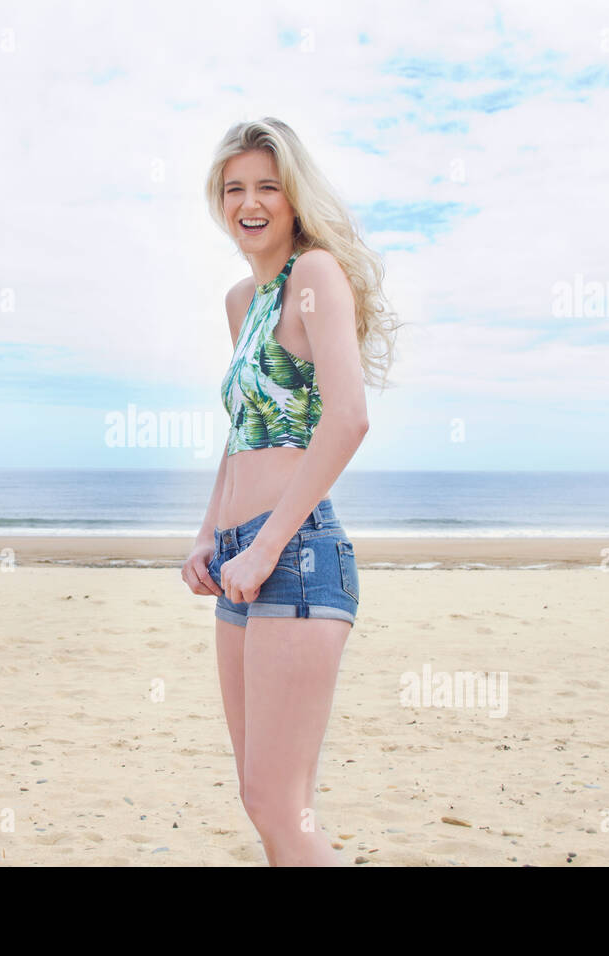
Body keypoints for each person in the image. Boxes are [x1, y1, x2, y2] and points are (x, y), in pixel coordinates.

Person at [180, 117, 400, 866]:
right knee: (261, 800)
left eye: (267, 187)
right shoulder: (242, 300)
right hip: (239, 555)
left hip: (295, 554)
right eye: (234, 188)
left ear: (294, 196)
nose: (250, 202)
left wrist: (266, 545)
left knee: (282, 803)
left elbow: (348, 418)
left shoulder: (315, 275)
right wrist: (210, 536)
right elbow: (244, 428)